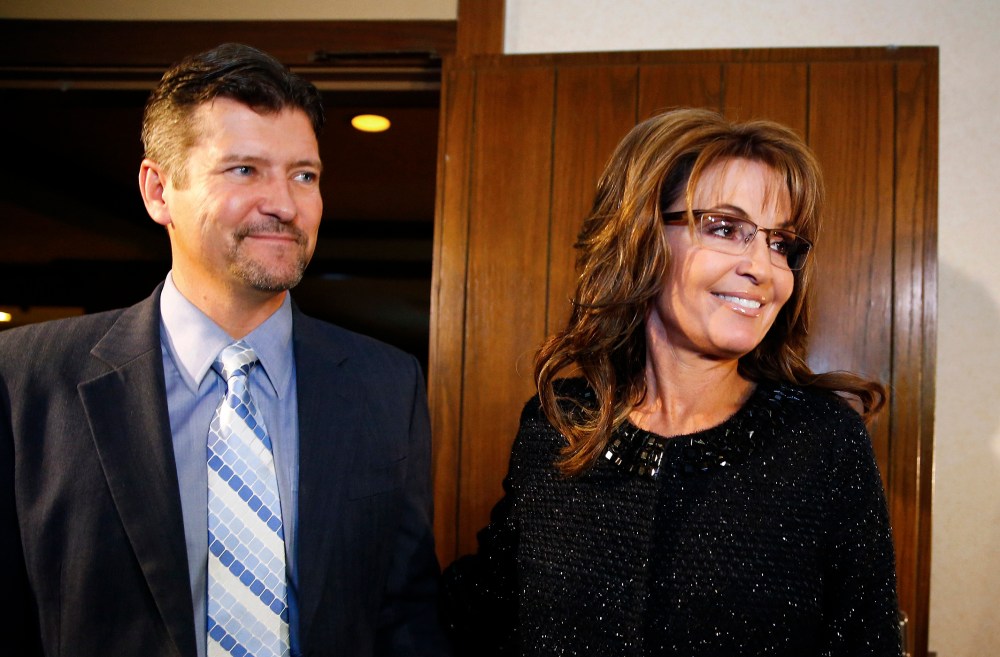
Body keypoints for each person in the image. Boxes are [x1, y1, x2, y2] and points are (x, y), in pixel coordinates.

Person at [0, 43, 448, 657]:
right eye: (244, 170)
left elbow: (405, 616)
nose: (284, 205)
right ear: (159, 191)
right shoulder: (25, 379)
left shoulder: (386, 384)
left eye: (304, 175)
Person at [440, 108, 902, 656]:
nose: (763, 266)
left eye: (782, 243)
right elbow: (482, 618)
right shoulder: (557, 426)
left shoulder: (822, 443)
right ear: (641, 237)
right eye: (727, 229)